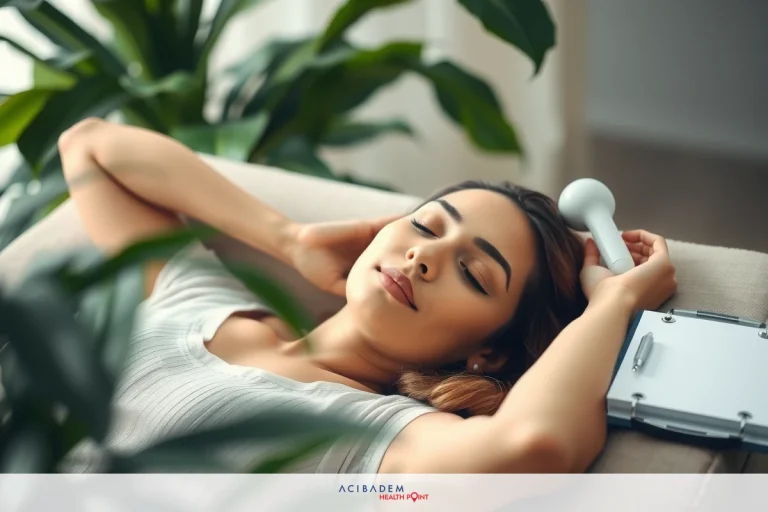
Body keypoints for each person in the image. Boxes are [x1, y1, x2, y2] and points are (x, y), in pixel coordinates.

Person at [58, 118, 677, 474]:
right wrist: (290, 238)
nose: (425, 257)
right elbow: (89, 147)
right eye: (426, 226)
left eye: (473, 273)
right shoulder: (200, 301)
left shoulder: (377, 440)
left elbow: (531, 446)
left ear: (486, 353)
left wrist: (614, 305)